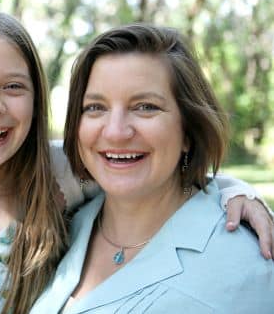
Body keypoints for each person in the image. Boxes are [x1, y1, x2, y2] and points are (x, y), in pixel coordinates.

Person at [0, 12, 274, 313]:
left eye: (13, 86)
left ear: (37, 103)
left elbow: (152, 176)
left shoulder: (60, 171)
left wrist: (233, 189)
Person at [31, 24, 274, 313]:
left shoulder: (247, 264)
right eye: (96, 107)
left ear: (188, 130)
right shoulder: (65, 227)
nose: (116, 131)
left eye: (145, 107)